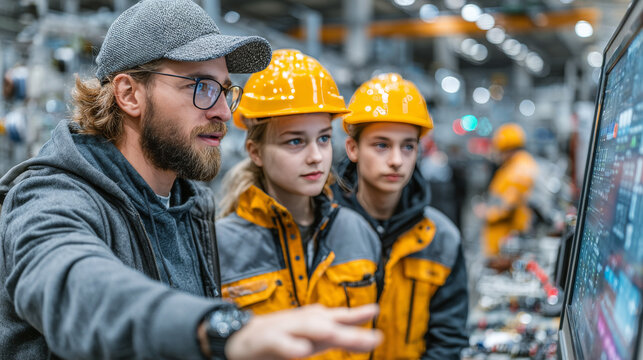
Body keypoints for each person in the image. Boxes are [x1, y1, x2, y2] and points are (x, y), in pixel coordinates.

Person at [0, 1, 381, 359]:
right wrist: (219, 327)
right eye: (201, 87)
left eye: (224, 90)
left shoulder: (190, 204)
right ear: (129, 94)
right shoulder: (50, 198)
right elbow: (74, 286)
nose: (223, 113)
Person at [216, 49, 381, 359]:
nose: (316, 156)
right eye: (295, 141)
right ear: (256, 151)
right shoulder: (219, 246)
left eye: (322, 138)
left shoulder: (358, 233)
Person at [332, 73, 469, 359]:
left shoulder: (441, 239)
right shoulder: (323, 226)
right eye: (381, 145)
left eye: (408, 146)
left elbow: (447, 342)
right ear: (353, 148)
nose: (396, 160)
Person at [477, 122, 538, 256]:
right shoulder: (514, 166)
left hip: (505, 245)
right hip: (504, 244)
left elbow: (507, 206)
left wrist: (486, 212)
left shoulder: (518, 170)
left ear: (507, 148)